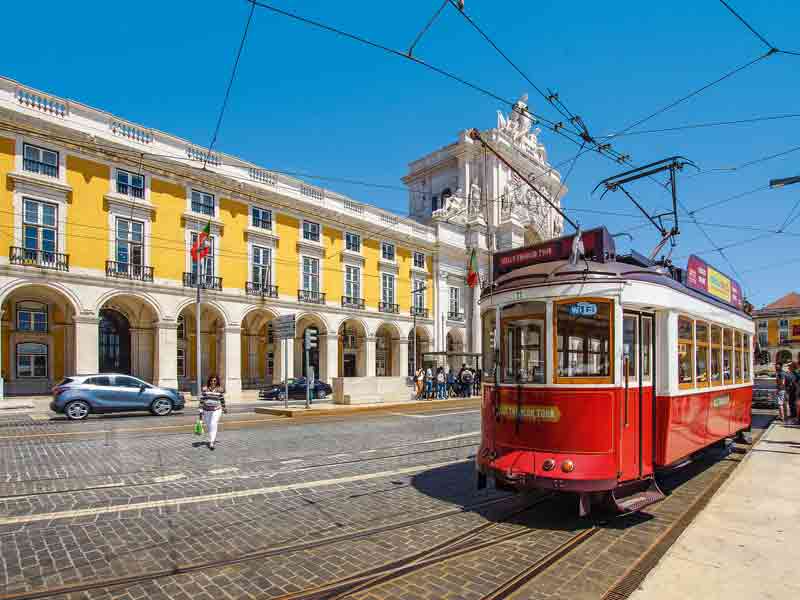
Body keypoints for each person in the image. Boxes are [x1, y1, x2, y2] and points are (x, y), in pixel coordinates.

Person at [197, 375, 226, 450]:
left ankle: (211, 442)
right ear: (209, 381)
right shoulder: (205, 389)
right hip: (206, 410)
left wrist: (224, 408)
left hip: (216, 410)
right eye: (211, 381)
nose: (213, 382)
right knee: (209, 425)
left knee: (213, 424)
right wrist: (200, 410)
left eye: (214, 381)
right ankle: (211, 439)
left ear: (217, 382)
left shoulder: (220, 389)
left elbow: (222, 399)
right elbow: (202, 400)